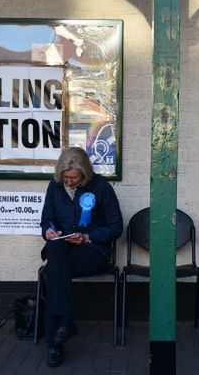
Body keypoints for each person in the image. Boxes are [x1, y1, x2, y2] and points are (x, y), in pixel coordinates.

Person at [39, 147, 123, 367]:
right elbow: (46, 218)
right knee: (55, 249)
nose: (69, 182)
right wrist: (48, 230)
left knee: (54, 270)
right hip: (63, 250)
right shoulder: (54, 186)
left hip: (93, 251)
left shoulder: (101, 187)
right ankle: (64, 326)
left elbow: (116, 227)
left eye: (74, 178)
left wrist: (87, 237)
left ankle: (55, 343)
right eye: (65, 177)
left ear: (84, 173)